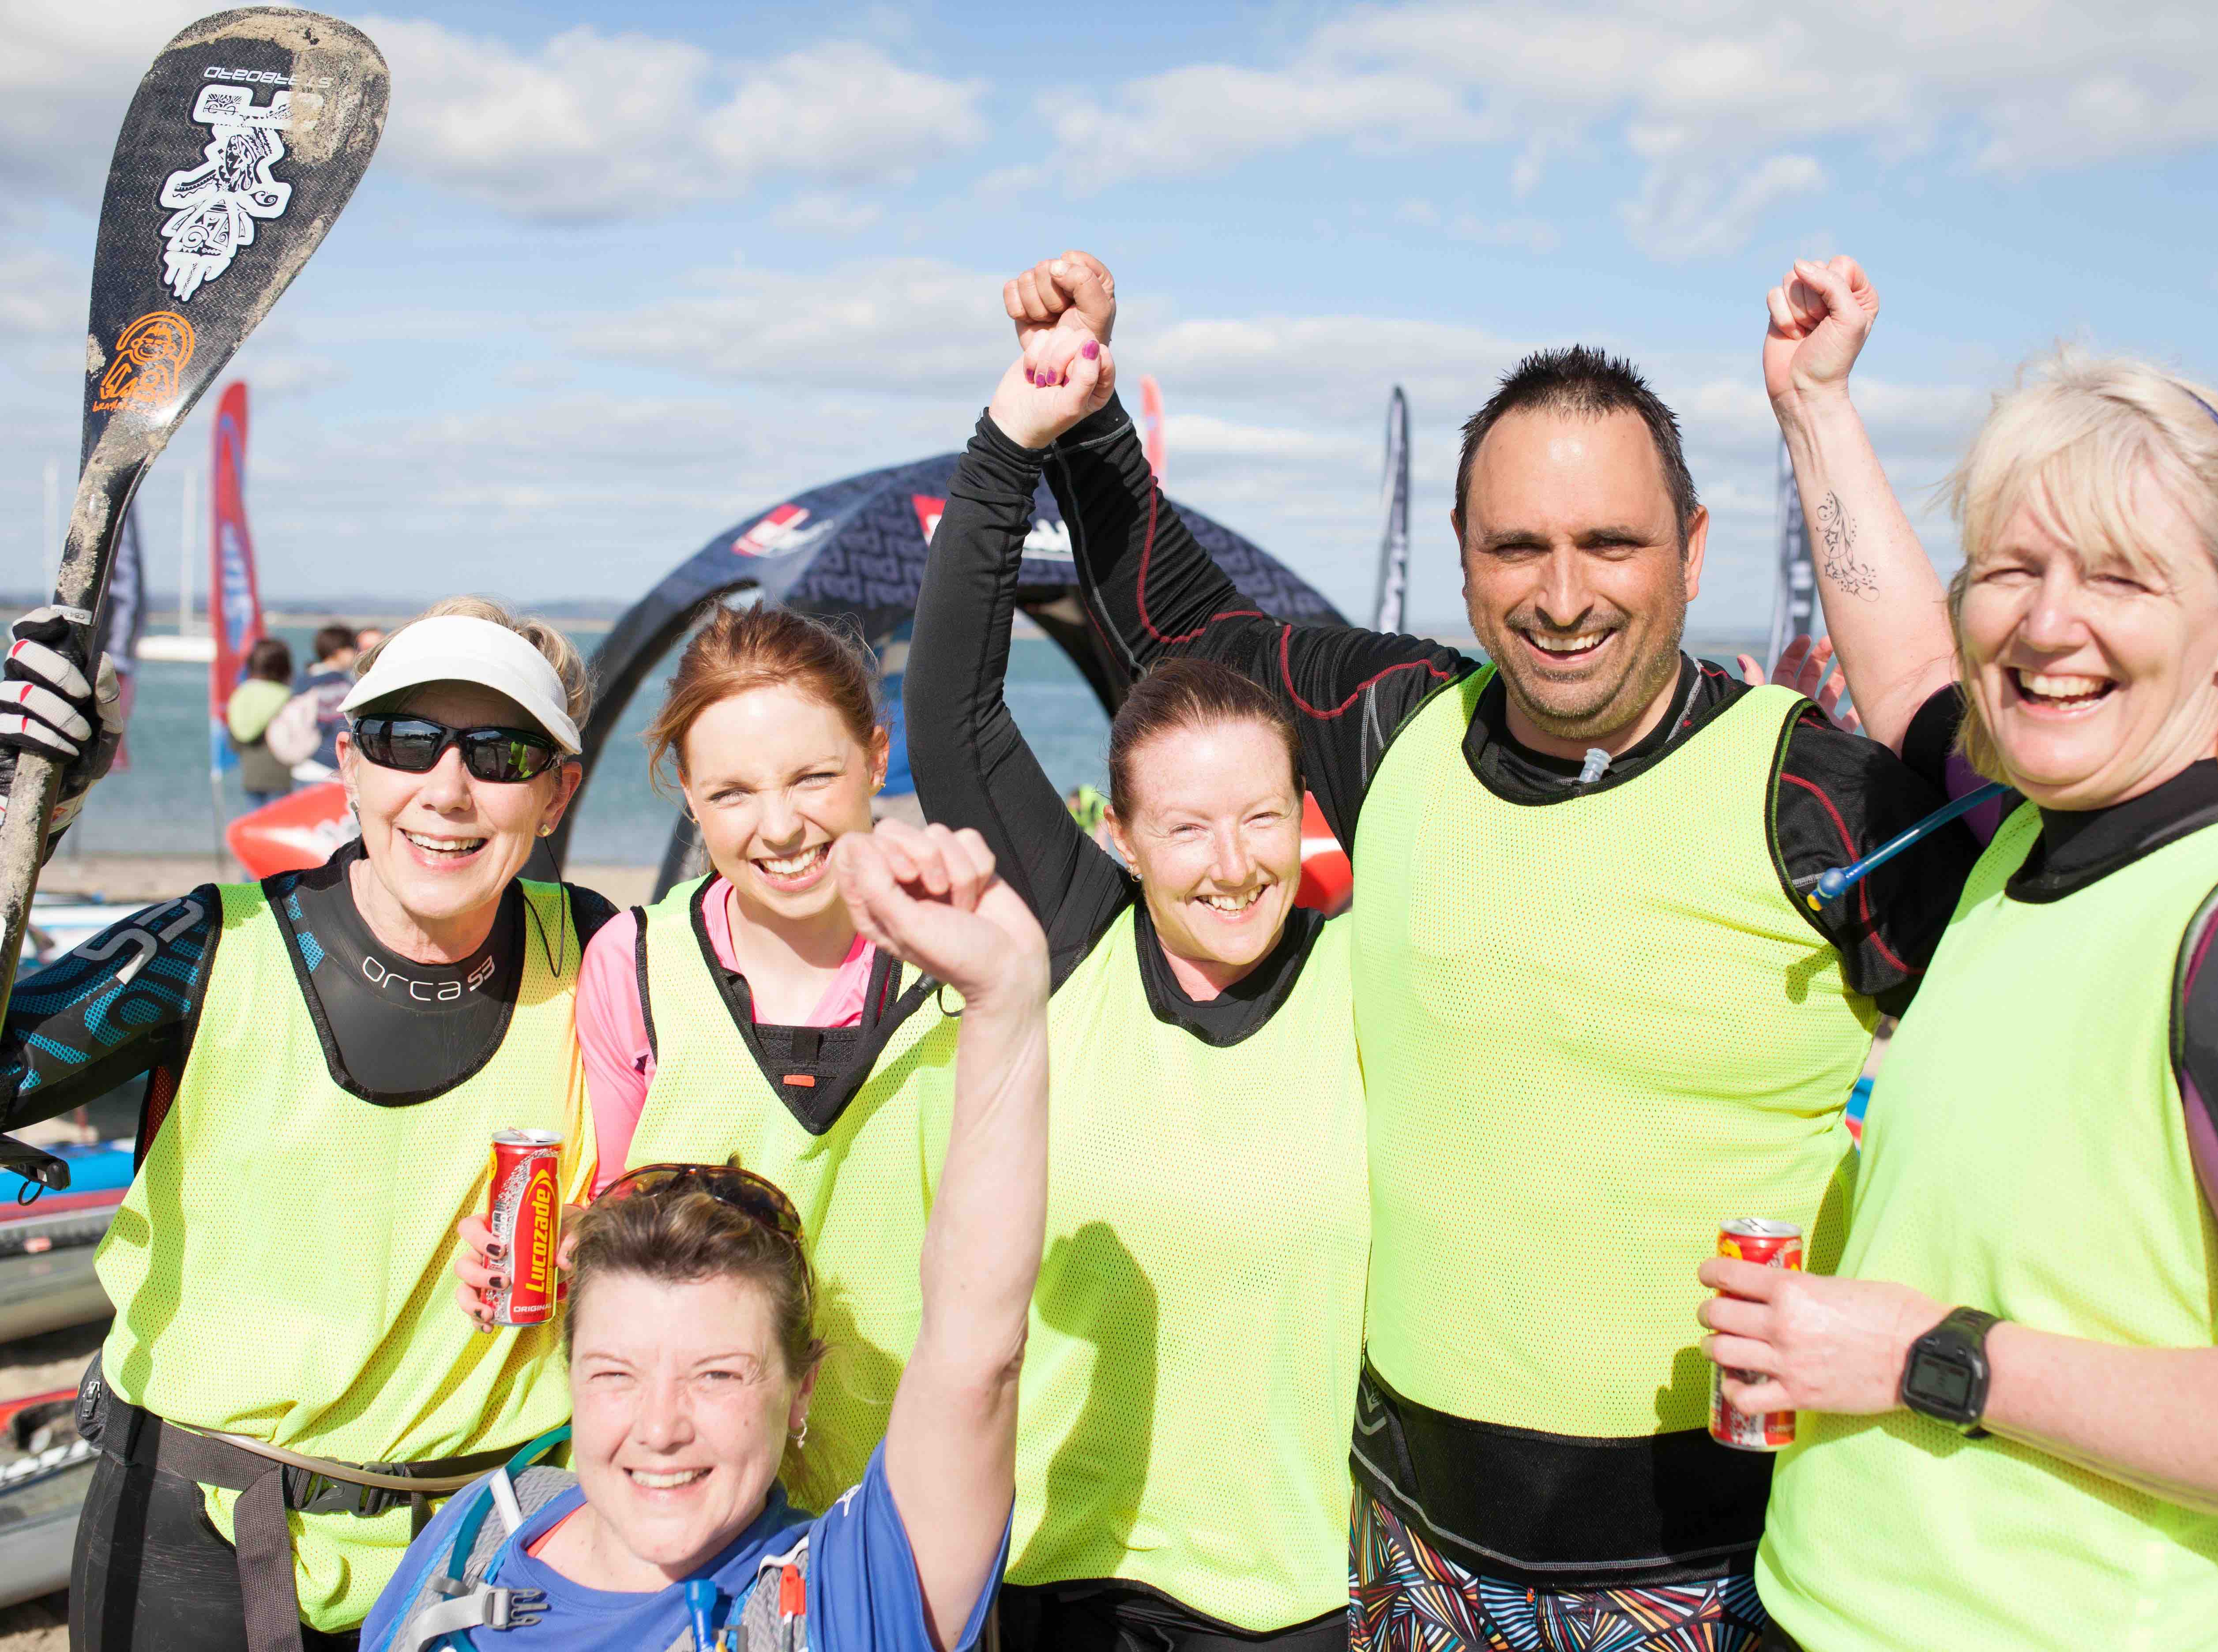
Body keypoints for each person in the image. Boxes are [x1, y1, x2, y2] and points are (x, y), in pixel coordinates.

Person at [1002, 252, 1979, 1649]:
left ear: (1694, 552)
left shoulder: (1820, 800)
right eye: (1517, 547)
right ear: (1464, 557)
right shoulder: (1401, 726)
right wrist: (1089, 404)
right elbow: (1182, 629)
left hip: (1716, 1572)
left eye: (1613, 545)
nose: (1563, 595)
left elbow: (2034, 1044)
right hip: (1409, 1557)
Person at [1690, 260, 2218, 1651]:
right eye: (2011, 569)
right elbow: (1908, 682)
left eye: (2120, 576)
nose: (2049, 624)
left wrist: (1928, 1357)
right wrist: (1817, 411)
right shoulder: (2022, 841)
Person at [0, 597, 618, 1652]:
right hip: (193, 1532)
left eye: (501, 752)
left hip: (484, 1550)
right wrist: (24, 807)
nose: (448, 789)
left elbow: (719, 1171)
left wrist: (596, 1241)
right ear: (349, 762)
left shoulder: (610, 958)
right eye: (407, 740)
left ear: (558, 791)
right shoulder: (208, 944)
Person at [904, 325, 1366, 1648]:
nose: (1233, 868)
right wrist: (1012, 446)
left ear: (1303, 814)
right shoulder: (1079, 940)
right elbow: (954, 715)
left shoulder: (1367, 981)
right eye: (1187, 829)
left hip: (1315, 1599)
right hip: (1074, 1589)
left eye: (1263, 819)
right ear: (1121, 828)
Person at [365, 818, 1046, 1652]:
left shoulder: (829, 1601)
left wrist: (1007, 998)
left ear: (801, 1392)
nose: (660, 1426)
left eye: (717, 1373)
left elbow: (976, 1355)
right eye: (615, 1372)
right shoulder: (481, 1534)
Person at [455, 603, 960, 1516]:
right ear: (687, 792)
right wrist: (533, 1250)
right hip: (692, 1500)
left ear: (877, 760)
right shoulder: (638, 963)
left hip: (922, 1508)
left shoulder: (963, 955)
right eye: (730, 793)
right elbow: (621, 1218)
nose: (779, 828)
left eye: (814, 778)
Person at [270, 622, 363, 781]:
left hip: (302, 763)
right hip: (327, 767)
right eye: (353, 649)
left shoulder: (305, 680)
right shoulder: (338, 685)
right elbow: (342, 727)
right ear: (339, 652)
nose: (357, 653)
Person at [226, 633, 297, 807]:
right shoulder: (286, 696)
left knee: (257, 822)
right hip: (282, 776)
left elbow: (235, 741)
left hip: (251, 774)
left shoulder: (240, 694)